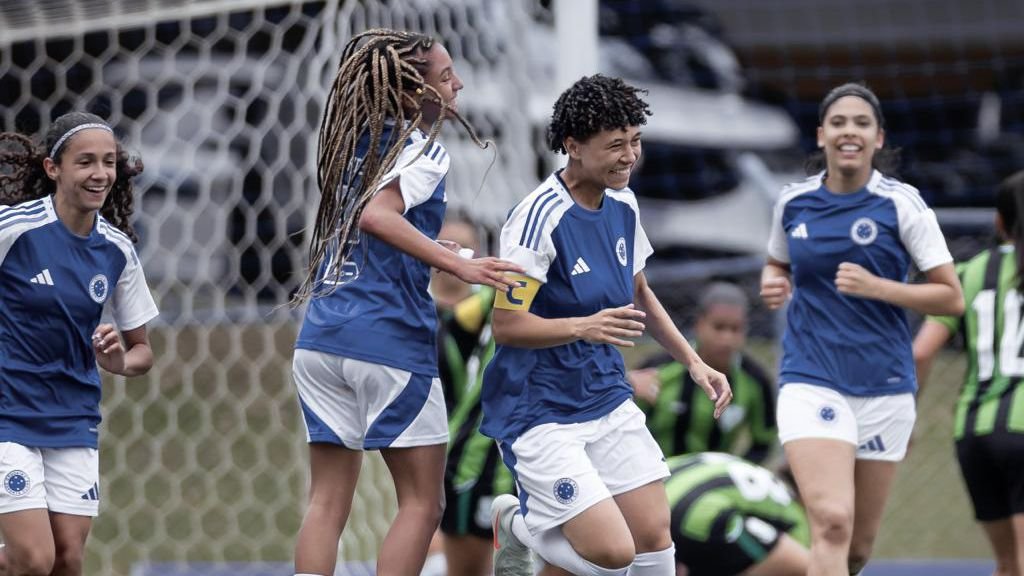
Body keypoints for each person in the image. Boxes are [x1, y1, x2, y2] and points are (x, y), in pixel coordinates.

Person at [289, 29, 522, 576]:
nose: (458, 83)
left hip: (320, 338)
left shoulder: (354, 144)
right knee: (422, 503)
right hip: (386, 341)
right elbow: (377, 216)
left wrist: (431, 246)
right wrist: (459, 264)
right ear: (408, 93)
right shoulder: (421, 150)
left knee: (326, 503)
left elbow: (368, 226)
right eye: (445, 77)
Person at [482, 74, 732, 576]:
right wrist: (582, 326)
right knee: (614, 554)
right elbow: (507, 326)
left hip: (604, 394)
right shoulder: (537, 218)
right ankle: (517, 527)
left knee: (655, 537)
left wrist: (694, 360)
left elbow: (639, 292)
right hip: (540, 409)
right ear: (572, 146)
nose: (629, 155)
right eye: (615, 144)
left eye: (635, 141)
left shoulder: (623, 203)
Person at [760, 82, 964, 576]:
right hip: (811, 379)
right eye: (838, 122)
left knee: (855, 549)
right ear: (821, 135)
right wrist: (772, 281)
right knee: (831, 520)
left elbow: (951, 297)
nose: (848, 131)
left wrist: (882, 288)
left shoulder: (902, 204)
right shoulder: (793, 203)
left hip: (884, 388)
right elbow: (776, 263)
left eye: (860, 123)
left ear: (877, 139)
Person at [0, 111, 159, 576]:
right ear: (54, 169)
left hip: (73, 419)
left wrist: (119, 362)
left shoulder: (117, 251)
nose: (100, 173)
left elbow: (143, 352)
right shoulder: (15, 228)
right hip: (8, 414)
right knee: (34, 558)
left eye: (108, 162)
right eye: (85, 161)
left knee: (67, 561)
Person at [913, 170, 1024, 576]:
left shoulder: (967, 273)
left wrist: (907, 420)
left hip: (974, 432)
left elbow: (921, 353)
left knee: (1008, 564)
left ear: (998, 222)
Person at [631, 282, 777, 463]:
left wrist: (729, 474)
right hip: (656, 475)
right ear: (699, 325)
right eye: (719, 327)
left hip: (711, 483)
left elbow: (763, 442)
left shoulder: (756, 380)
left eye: (735, 329)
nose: (727, 338)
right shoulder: (658, 368)